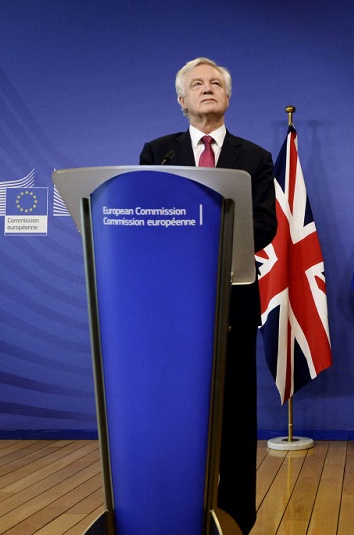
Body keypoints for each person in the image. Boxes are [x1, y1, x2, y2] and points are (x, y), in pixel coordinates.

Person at [140, 57, 277, 534]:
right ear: (181, 99)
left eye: (216, 83)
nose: (207, 88)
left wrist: (199, 234)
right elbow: (146, 219)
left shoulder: (255, 156)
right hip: (171, 307)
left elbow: (265, 225)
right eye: (197, 84)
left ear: (228, 97)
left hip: (233, 304)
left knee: (235, 417)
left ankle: (236, 519)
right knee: (175, 412)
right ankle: (174, 510)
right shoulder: (157, 153)